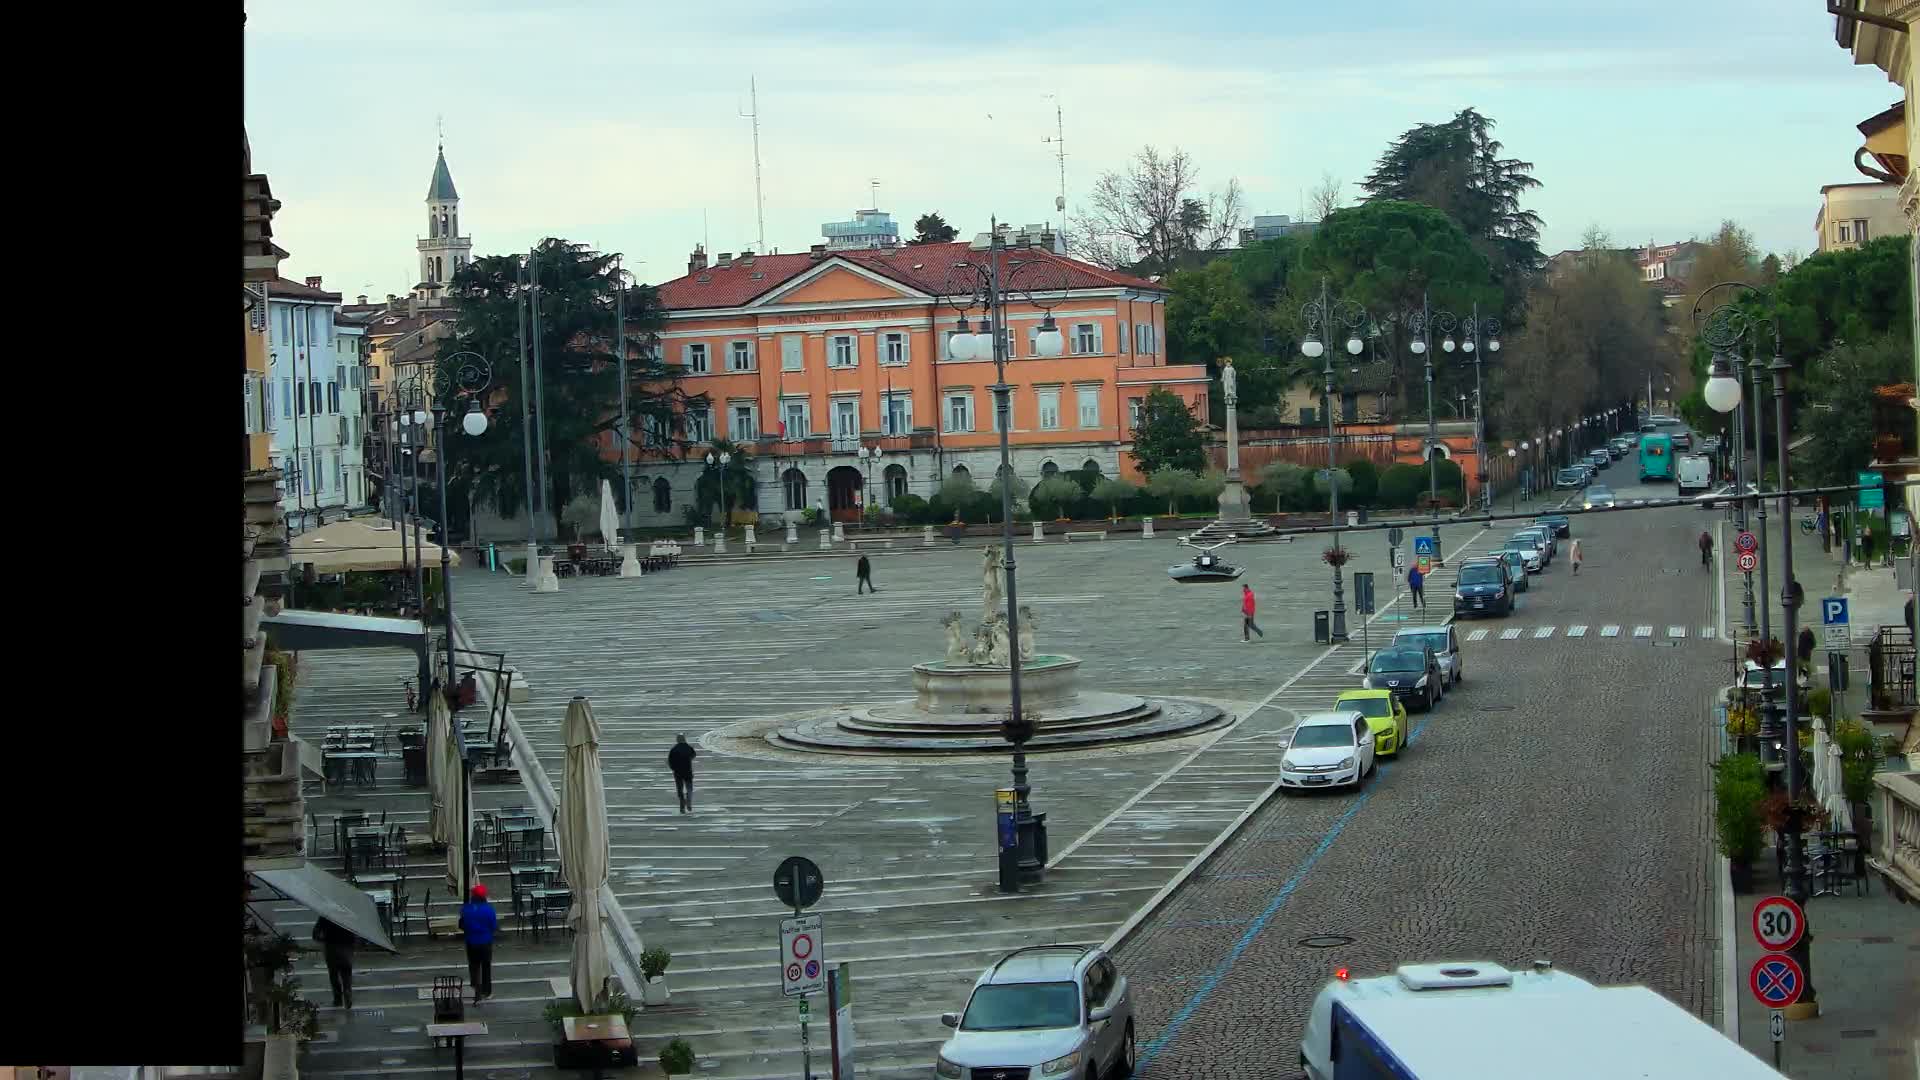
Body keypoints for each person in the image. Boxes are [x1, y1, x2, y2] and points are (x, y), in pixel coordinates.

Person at [459, 884, 497, 1004]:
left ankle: (476, 988)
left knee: (474, 966)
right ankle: (486, 991)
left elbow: (462, 924)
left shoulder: (466, 909)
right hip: (485, 941)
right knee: (486, 967)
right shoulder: (489, 910)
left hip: (471, 941)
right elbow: (493, 926)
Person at [312, 917, 356, 1009]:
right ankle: (347, 991)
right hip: (346, 947)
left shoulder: (326, 916)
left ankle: (338, 998)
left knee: (333, 974)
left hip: (331, 948)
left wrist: (323, 939)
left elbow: (315, 934)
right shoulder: (346, 913)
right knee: (346, 972)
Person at [668, 733, 696, 813]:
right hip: (688, 771)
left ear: (677, 740)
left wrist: (674, 768)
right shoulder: (688, 748)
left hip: (678, 773)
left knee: (680, 790)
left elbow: (670, 761)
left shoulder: (674, 749)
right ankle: (689, 800)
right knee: (689, 788)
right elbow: (693, 755)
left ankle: (682, 806)